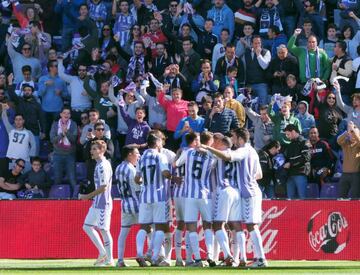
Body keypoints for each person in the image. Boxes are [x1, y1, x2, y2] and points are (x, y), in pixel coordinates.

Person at [200, 128, 268, 268]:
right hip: (241, 191)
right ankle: (242, 258)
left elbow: (227, 157)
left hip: (242, 192)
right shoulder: (253, 151)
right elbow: (259, 175)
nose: (234, 140)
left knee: (236, 225)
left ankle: (257, 259)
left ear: (241, 138)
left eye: (235, 137)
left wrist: (207, 148)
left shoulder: (242, 150)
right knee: (237, 225)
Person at [175, 132, 215, 267]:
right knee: (207, 226)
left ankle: (197, 259)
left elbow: (176, 164)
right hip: (205, 195)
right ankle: (210, 254)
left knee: (191, 228)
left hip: (190, 195)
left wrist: (179, 153)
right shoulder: (212, 155)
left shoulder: (188, 153)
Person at [134, 134, 173, 267]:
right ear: (156, 143)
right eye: (160, 141)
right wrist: (173, 177)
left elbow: (136, 179)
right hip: (159, 195)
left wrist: (144, 181)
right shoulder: (160, 156)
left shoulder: (142, 157)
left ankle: (139, 254)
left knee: (144, 226)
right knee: (160, 226)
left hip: (145, 196)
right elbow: (165, 173)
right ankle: (155, 257)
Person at [80, 140, 114, 266]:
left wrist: (87, 196)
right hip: (96, 202)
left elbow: (104, 187)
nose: (91, 151)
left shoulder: (103, 166)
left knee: (104, 230)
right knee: (87, 226)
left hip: (103, 203)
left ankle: (110, 259)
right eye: (91, 149)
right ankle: (102, 252)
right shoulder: (99, 164)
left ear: (101, 150)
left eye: (94, 149)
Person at [115, 146, 141, 267]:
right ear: (130, 154)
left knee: (123, 232)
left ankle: (120, 260)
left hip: (124, 203)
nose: (139, 156)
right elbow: (137, 187)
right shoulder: (131, 169)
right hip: (136, 203)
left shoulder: (118, 168)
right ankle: (150, 255)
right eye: (137, 153)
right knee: (149, 229)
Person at [7, 74, 45, 155]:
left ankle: (33, 168)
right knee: (21, 153)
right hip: (21, 131)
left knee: (34, 153)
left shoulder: (37, 104)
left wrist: (43, 131)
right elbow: (11, 94)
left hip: (34, 131)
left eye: (29, 90)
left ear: (32, 92)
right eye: (25, 90)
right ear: (23, 92)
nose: (27, 92)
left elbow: (42, 118)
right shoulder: (19, 101)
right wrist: (10, 82)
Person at [50, 106, 78, 189]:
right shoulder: (55, 125)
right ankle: (57, 197)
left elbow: (73, 140)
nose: (66, 114)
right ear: (60, 114)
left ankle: (76, 198)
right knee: (57, 178)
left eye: (68, 113)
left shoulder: (73, 124)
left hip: (70, 154)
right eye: (64, 113)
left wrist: (67, 132)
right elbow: (52, 140)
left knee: (72, 178)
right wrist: (62, 134)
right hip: (57, 155)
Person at [58, 59, 93, 124]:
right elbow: (61, 75)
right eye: (79, 70)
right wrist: (60, 62)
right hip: (74, 112)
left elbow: (94, 98)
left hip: (87, 111)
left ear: (87, 71)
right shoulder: (73, 79)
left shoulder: (92, 82)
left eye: (83, 70)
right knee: (75, 132)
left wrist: (88, 93)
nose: (81, 72)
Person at [38, 60, 68, 138]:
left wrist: (61, 93)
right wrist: (45, 84)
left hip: (58, 109)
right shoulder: (43, 79)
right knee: (46, 130)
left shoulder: (61, 80)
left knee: (57, 131)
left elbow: (67, 94)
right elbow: (39, 93)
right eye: (56, 66)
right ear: (50, 68)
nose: (58, 68)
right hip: (45, 109)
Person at [1, 105, 36, 171]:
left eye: (20, 119)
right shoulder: (11, 130)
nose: (18, 121)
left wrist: (31, 157)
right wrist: (5, 109)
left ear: (23, 121)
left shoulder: (28, 132)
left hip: (25, 161)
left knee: (23, 179)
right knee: (11, 180)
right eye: (16, 120)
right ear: (14, 121)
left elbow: (33, 145)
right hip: (12, 160)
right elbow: (5, 119)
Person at [283, 124, 312, 199]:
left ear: (293, 132)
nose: (287, 136)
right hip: (290, 175)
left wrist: (290, 163)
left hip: (300, 173)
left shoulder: (305, 142)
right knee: (290, 199)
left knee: (302, 198)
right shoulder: (290, 145)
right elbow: (288, 158)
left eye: (288, 134)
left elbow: (306, 157)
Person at [243, 36, 271, 106]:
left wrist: (258, 54)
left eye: (259, 43)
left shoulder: (266, 52)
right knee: (248, 104)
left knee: (263, 105)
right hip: (249, 84)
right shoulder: (247, 53)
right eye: (255, 43)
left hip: (262, 84)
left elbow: (264, 66)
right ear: (251, 44)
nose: (257, 45)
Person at [337, 121, 360, 198]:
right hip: (345, 174)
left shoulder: (358, 145)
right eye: (351, 133)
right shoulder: (346, 143)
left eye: (353, 133)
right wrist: (347, 132)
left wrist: (353, 131)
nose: (352, 135)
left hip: (356, 175)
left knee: (355, 198)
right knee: (341, 197)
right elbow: (338, 141)